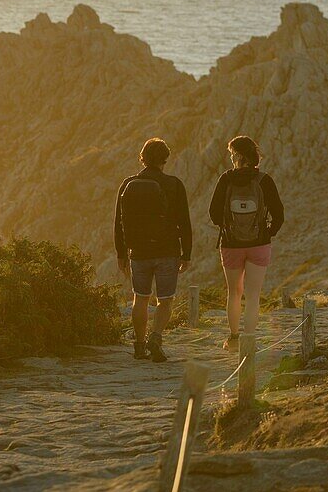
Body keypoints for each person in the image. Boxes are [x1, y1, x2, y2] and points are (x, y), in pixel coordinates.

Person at [114, 138, 192, 362]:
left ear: (142, 158)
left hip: (138, 252)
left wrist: (121, 253)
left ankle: (139, 345)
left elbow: (118, 222)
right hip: (168, 251)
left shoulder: (128, 183)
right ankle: (156, 338)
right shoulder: (174, 184)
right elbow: (184, 222)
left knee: (140, 298)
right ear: (165, 159)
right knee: (165, 300)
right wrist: (186, 254)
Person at [209, 135, 284, 351]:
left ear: (240, 156)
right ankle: (249, 340)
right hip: (259, 244)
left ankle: (233, 339)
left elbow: (213, 213)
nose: (231, 158)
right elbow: (279, 214)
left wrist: (228, 227)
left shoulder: (226, 179)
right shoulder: (264, 180)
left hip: (231, 244)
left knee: (234, 293)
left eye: (233, 154)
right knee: (253, 295)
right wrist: (267, 233)